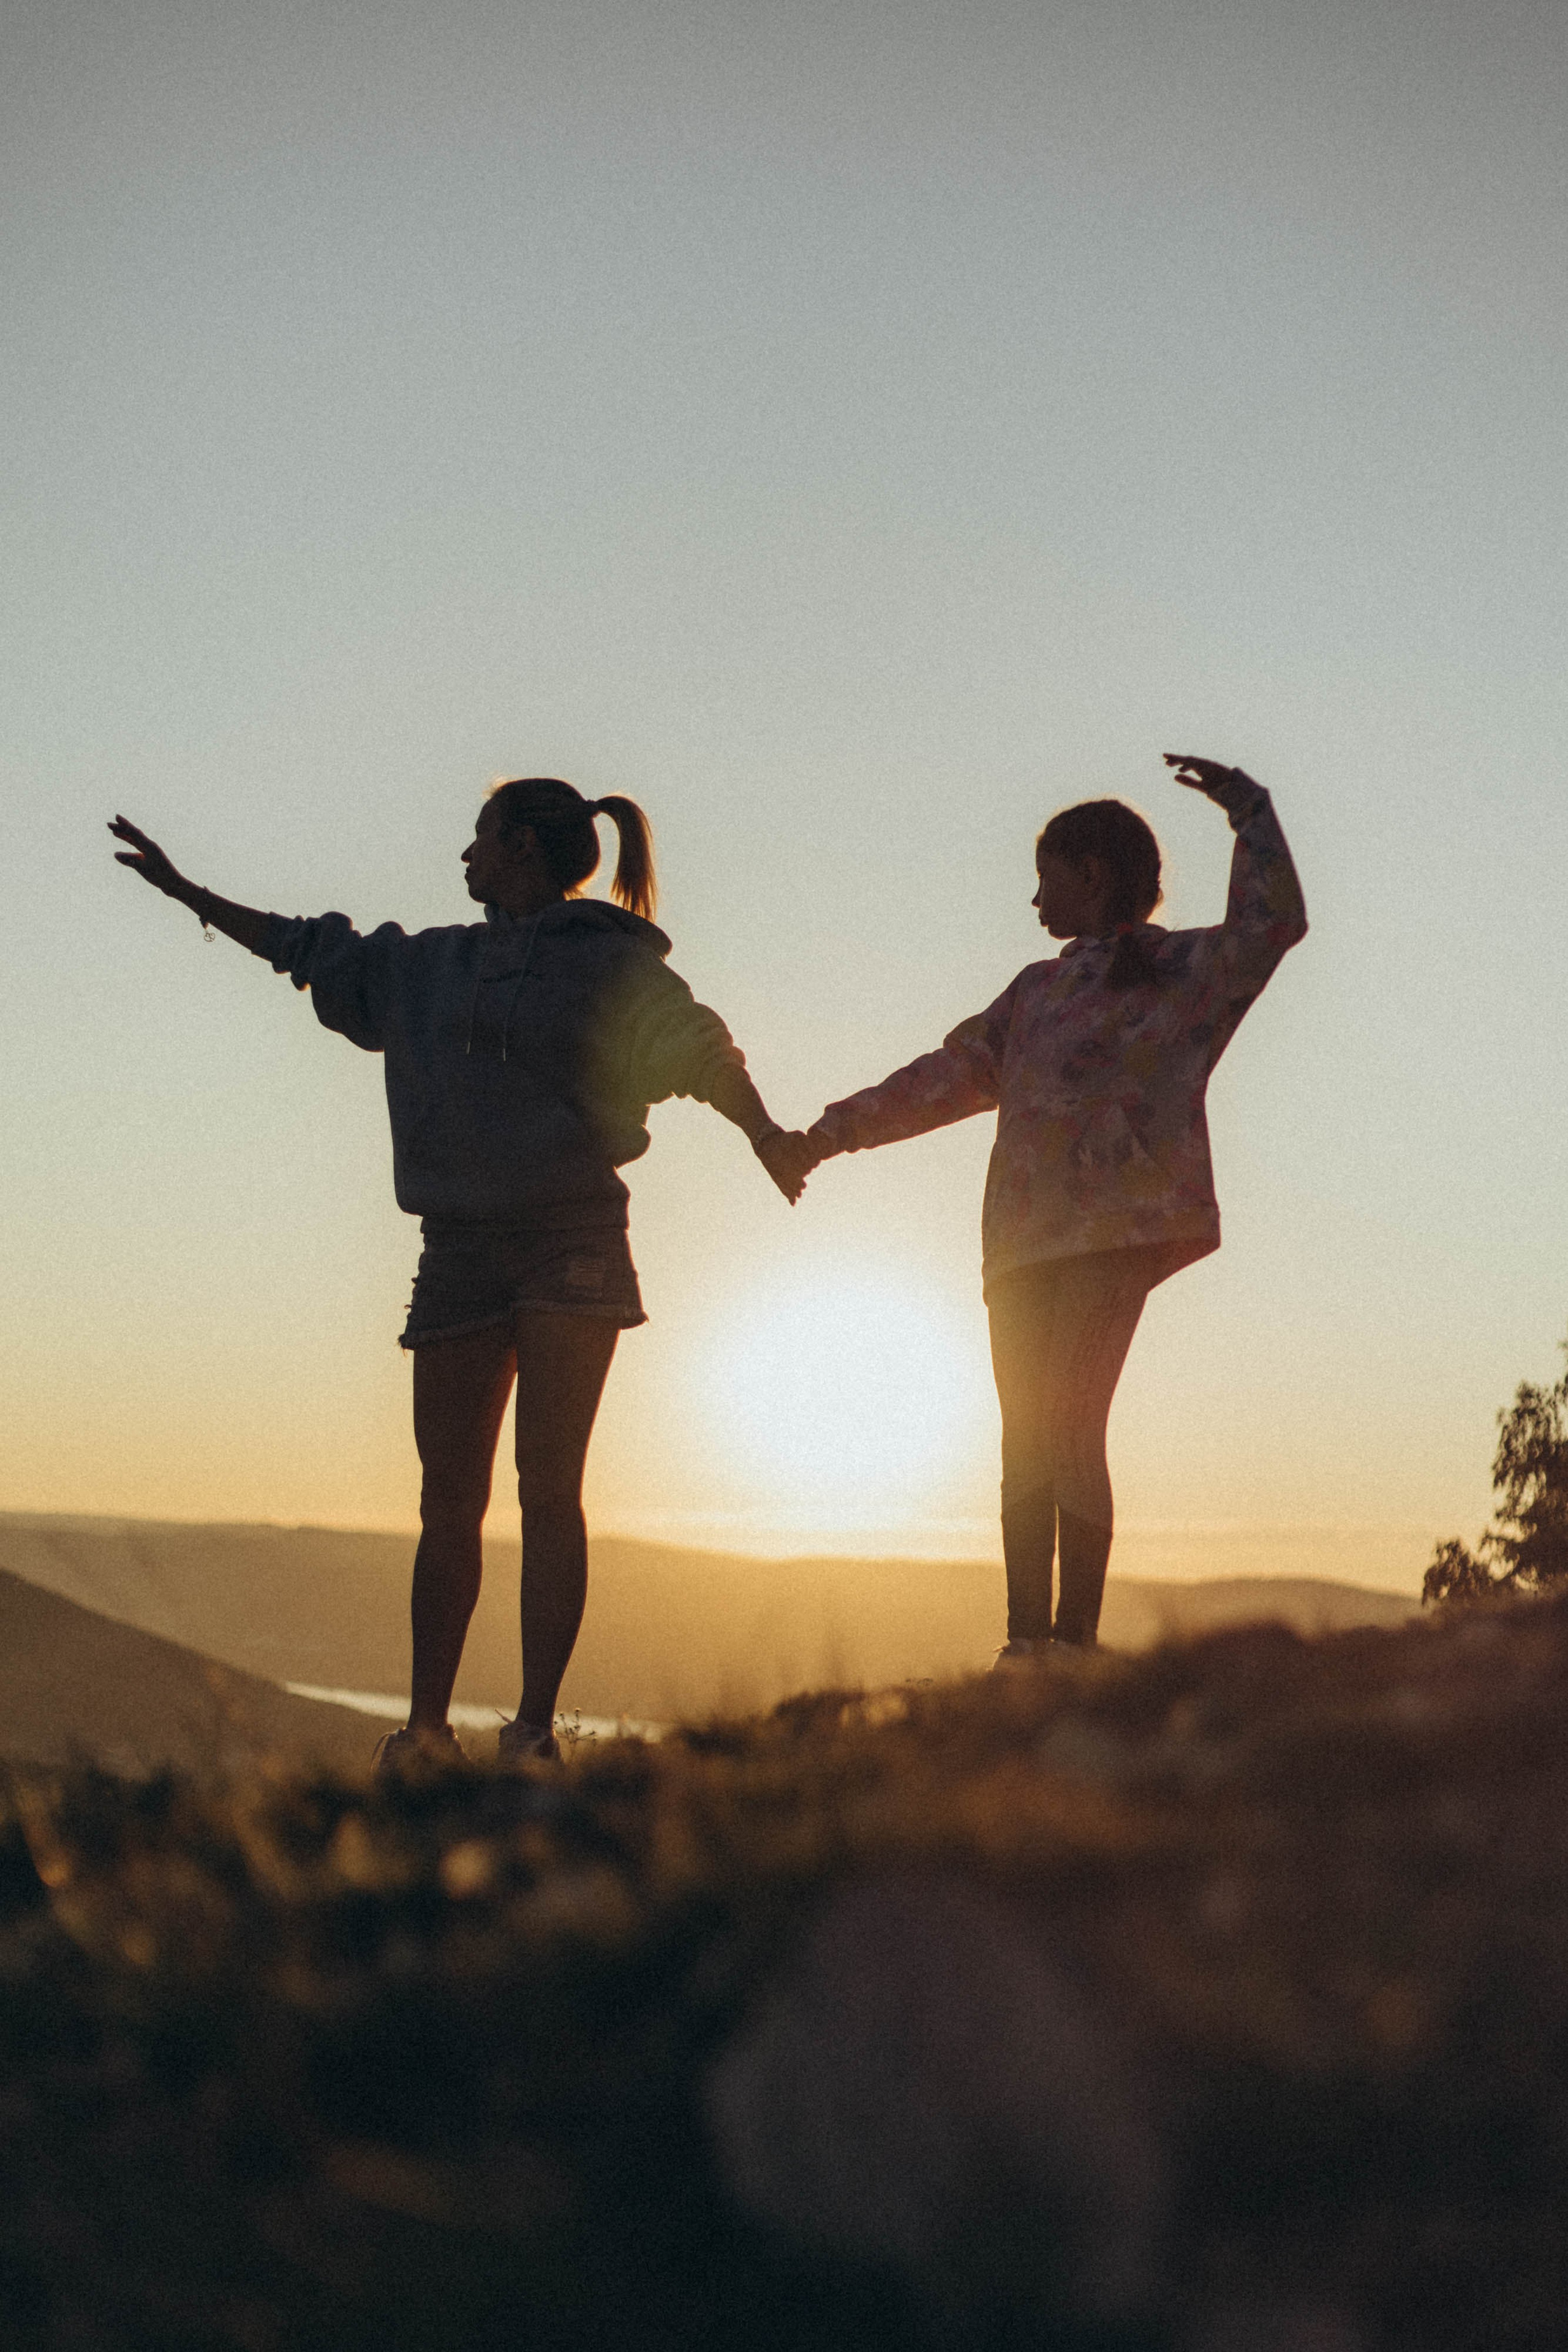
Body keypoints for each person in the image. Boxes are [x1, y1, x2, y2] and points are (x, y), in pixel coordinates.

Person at [110, 780, 805, 1767]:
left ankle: (521, 1731)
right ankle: (432, 1731)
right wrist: (187, 893)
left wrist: (768, 1134)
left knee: (538, 1490)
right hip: (462, 1251)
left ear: (520, 844)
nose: (465, 859)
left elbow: (696, 1048)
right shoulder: (425, 966)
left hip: (569, 1238)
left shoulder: (608, 965)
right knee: (462, 1497)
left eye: (478, 841)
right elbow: (304, 945)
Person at [794, 754, 1308, 1657]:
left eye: (1048, 881)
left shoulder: (1177, 971)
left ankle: (1074, 1643)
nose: (1036, 903)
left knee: (1072, 1422)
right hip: (1020, 1244)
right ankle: (1024, 1647)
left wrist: (1248, 809)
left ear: (1093, 874)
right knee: (1025, 1432)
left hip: (1115, 1234)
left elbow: (1274, 925)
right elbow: (943, 1079)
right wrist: (831, 1134)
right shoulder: (1035, 993)